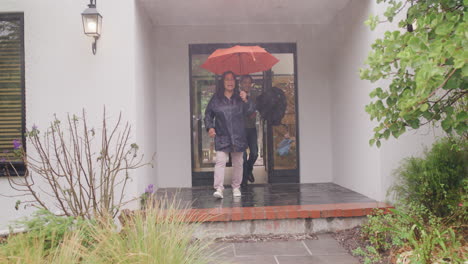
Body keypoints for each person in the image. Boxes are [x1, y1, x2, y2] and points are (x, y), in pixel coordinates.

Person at [204, 71, 255, 199]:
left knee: (238, 162)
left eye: (232, 79)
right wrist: (210, 127)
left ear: (235, 82)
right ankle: (219, 189)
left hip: (238, 134)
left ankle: (236, 187)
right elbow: (208, 114)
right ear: (223, 82)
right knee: (220, 161)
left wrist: (246, 99)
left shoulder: (240, 97)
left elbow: (250, 111)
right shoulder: (216, 98)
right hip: (222, 134)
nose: (230, 82)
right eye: (227, 79)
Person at [239, 75, 258, 186]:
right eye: (245, 82)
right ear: (241, 83)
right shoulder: (237, 97)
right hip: (240, 129)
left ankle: (249, 170)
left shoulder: (254, 96)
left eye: (249, 82)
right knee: (243, 157)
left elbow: (253, 111)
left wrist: (247, 99)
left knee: (255, 153)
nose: (247, 84)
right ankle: (244, 179)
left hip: (252, 128)